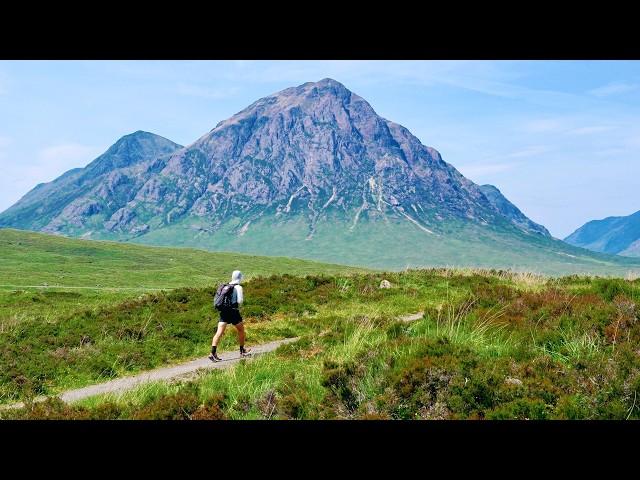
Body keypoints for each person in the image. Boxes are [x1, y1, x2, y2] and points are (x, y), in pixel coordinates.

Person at [209, 270, 252, 362]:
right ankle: (242, 351)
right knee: (241, 330)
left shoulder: (226, 286)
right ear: (240, 277)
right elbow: (240, 301)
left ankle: (212, 353)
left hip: (223, 312)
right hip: (233, 312)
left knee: (219, 332)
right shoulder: (238, 287)